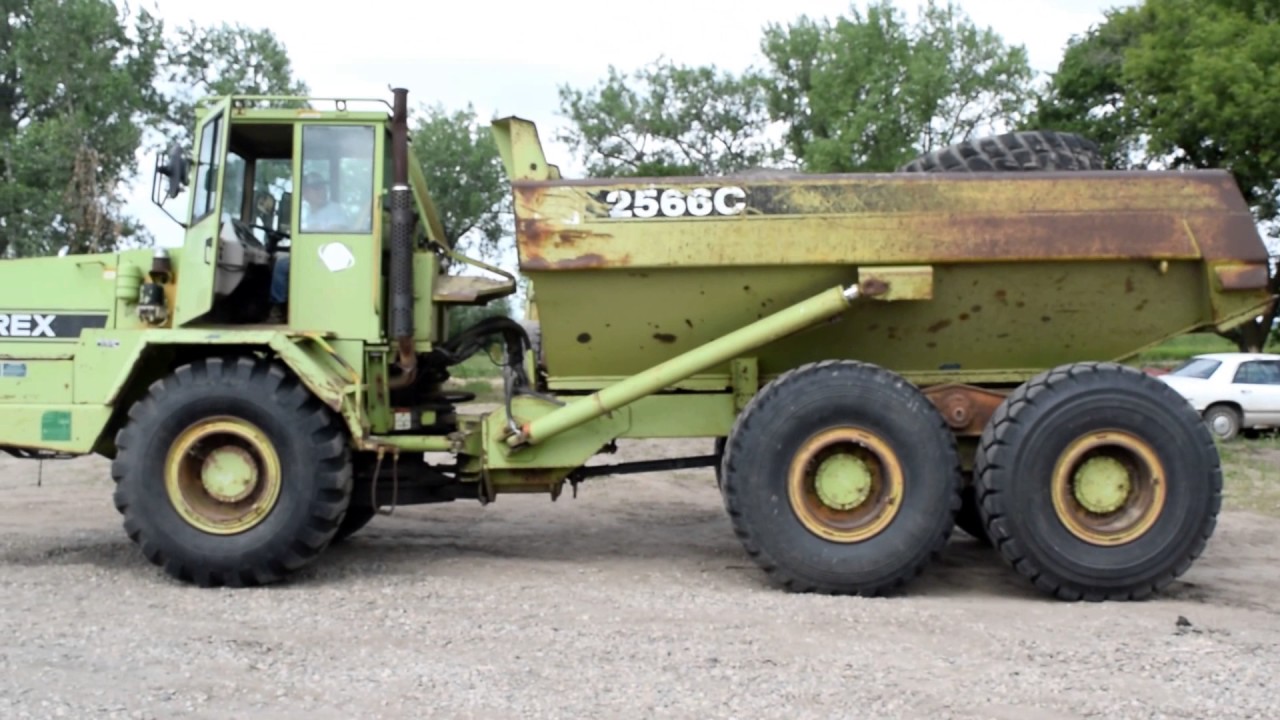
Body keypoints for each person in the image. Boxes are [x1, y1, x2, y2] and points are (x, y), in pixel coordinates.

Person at [267, 173, 349, 323]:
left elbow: (338, 231)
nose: (322, 191)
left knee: (282, 265)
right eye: (316, 188)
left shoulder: (334, 209)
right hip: (313, 254)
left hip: (330, 257)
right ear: (305, 193)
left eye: (322, 187)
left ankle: (279, 307)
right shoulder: (309, 215)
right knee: (277, 259)